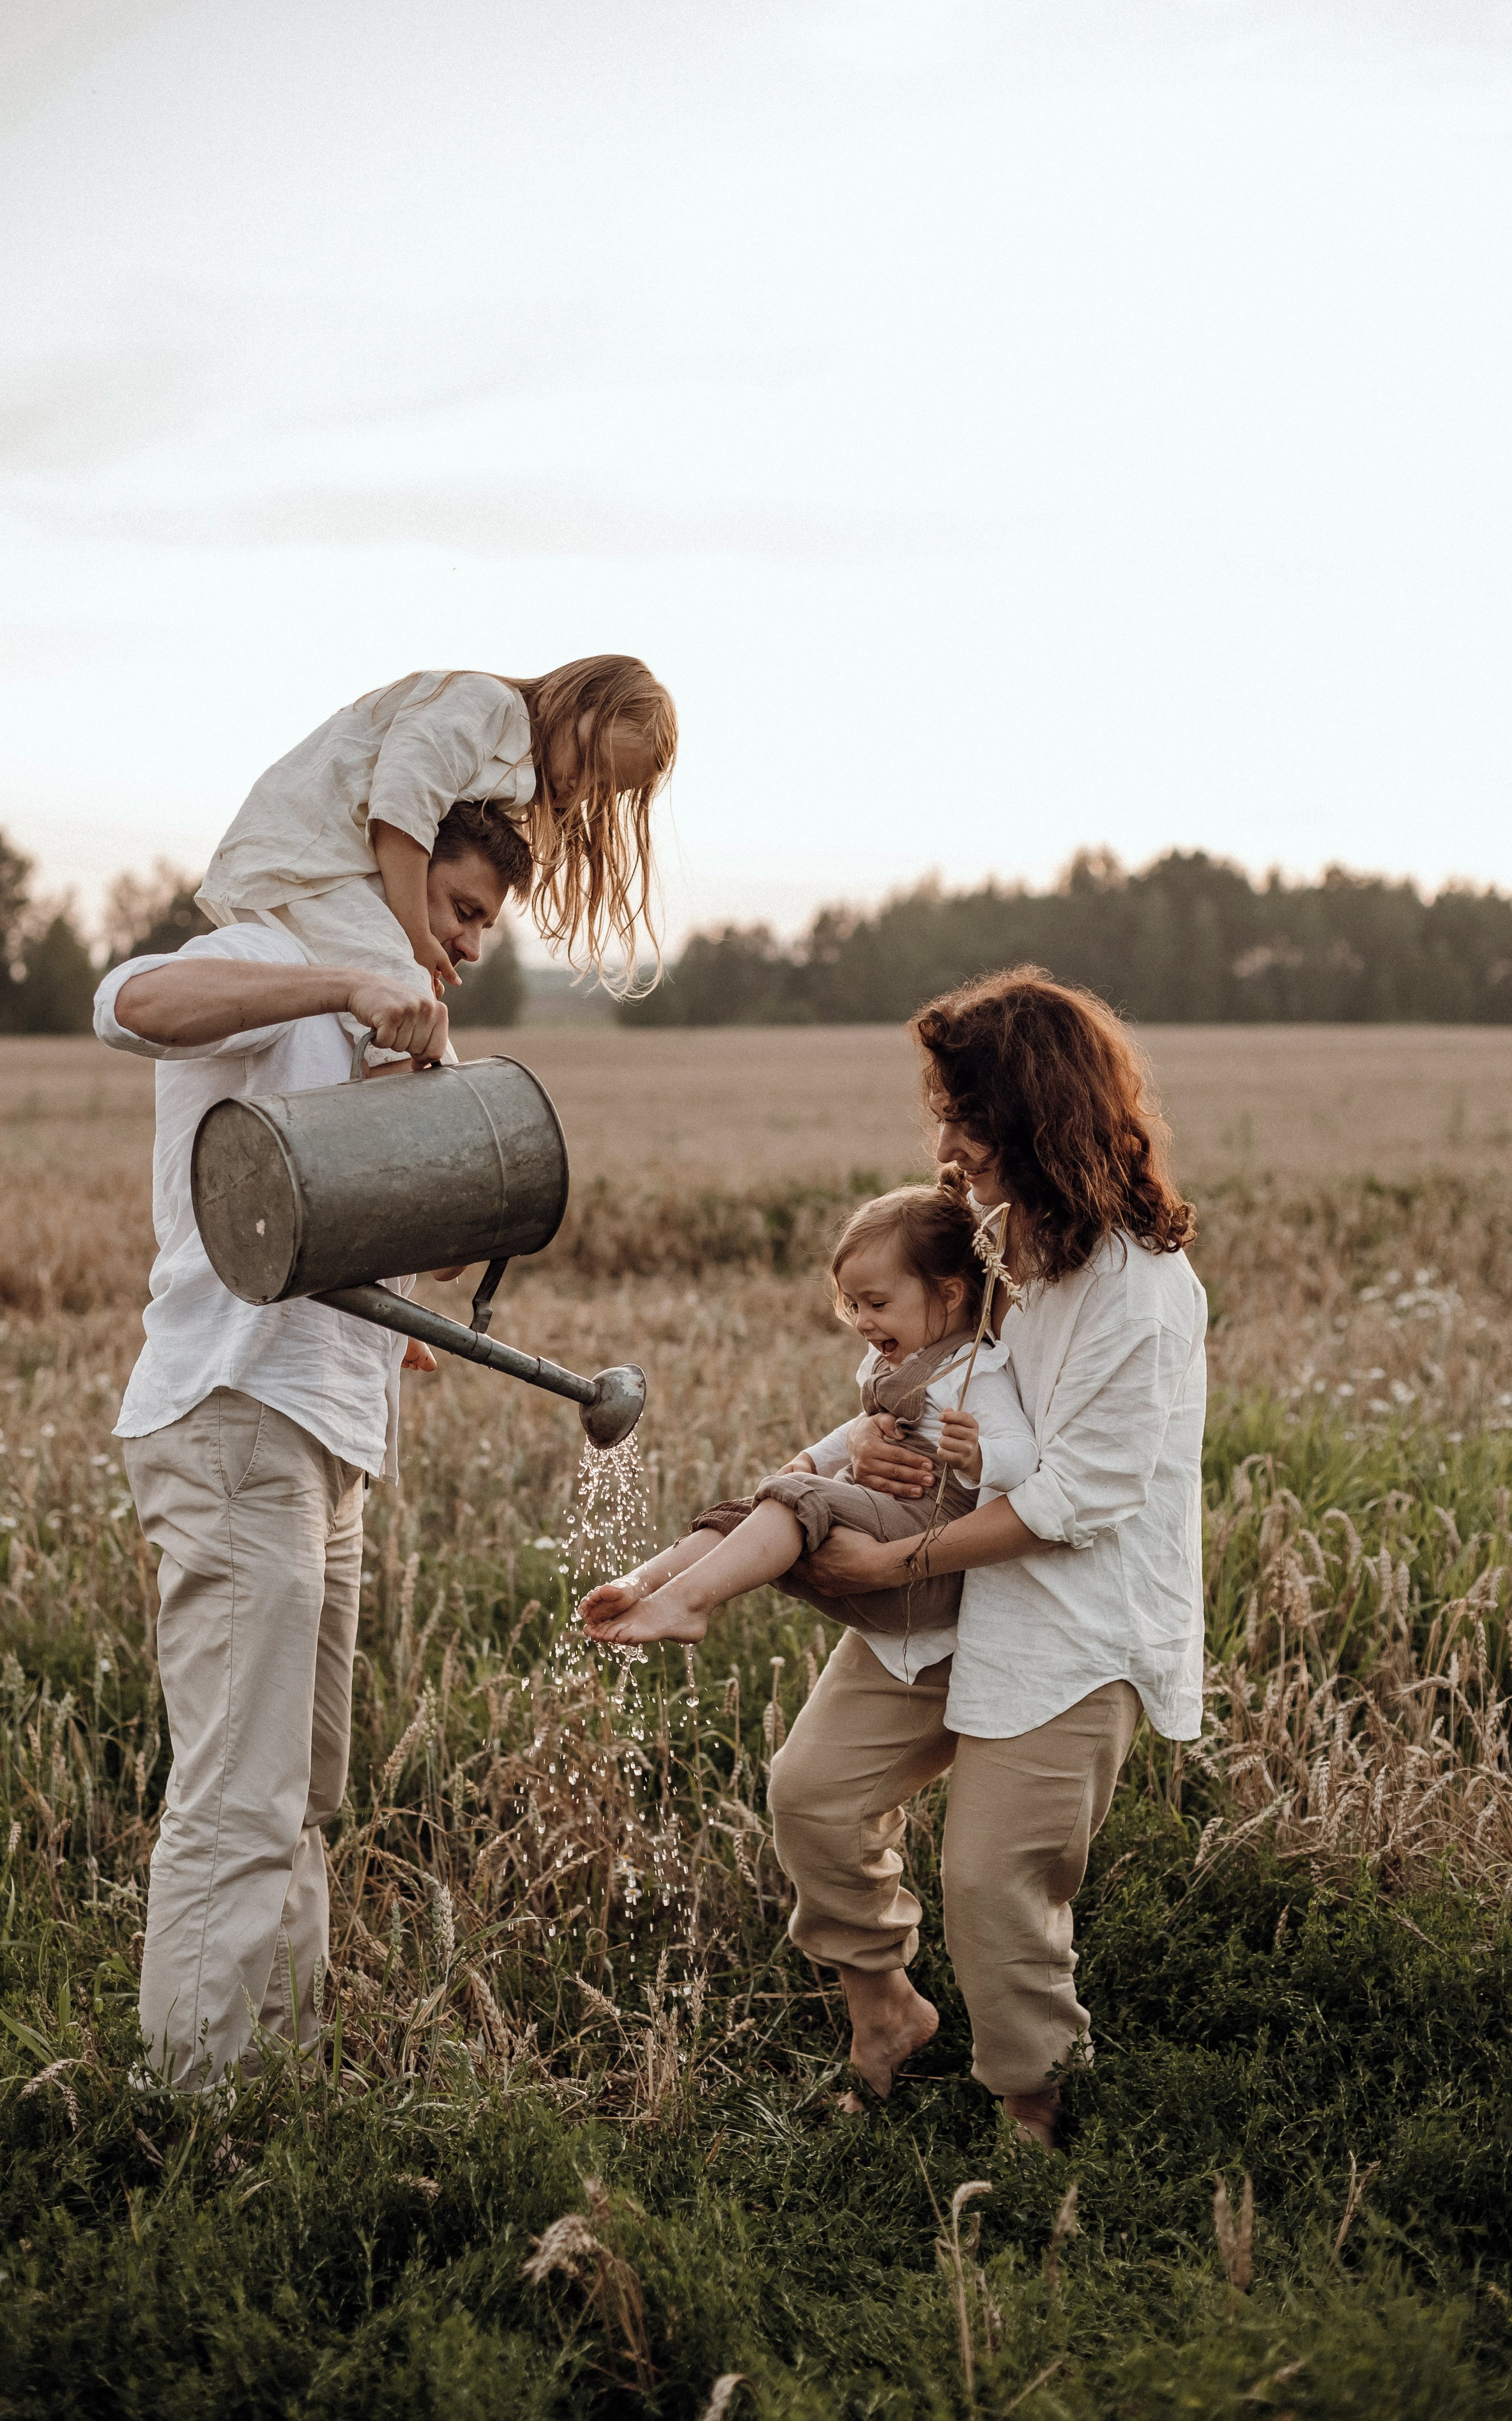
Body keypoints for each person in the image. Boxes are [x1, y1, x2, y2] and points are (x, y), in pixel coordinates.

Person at [95, 801, 532, 2090]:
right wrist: (349, 978)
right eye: (454, 910)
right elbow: (127, 1004)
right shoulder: (269, 972)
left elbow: (431, 1252)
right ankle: (197, 2108)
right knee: (238, 1788)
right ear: (391, 871)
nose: (465, 947)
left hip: (329, 1441)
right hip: (235, 1417)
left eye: (484, 930)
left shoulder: (390, 1036)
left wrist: (428, 1113)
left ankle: (274, 2083)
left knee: (299, 1791)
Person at [767, 970, 1206, 2148]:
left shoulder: (1140, 1294)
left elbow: (1081, 1498)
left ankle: (1036, 2113)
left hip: (1072, 1621)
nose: (949, 1148)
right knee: (812, 1797)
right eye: (944, 1116)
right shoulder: (999, 1239)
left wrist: (887, 1569)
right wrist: (849, 1455)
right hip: (955, 1591)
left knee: (990, 1886)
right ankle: (887, 2014)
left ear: (1043, 1120)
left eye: (974, 1121)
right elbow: (930, 1377)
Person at [581, 1183, 1036, 1652]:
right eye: (855, 1306)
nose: (862, 1321)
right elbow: (856, 1431)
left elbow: (1023, 1456)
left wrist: (978, 1458)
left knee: (794, 1499)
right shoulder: (897, 1365)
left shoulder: (972, 1371)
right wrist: (812, 1459)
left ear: (949, 1294)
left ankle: (688, 1603)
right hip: (871, 1539)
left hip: (921, 1568)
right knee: (753, 1508)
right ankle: (642, 1584)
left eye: (878, 1304)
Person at [197, 655, 676, 1053]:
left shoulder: (515, 769)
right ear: (575, 699)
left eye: (604, 788)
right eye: (590, 759)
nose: (581, 786)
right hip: (300, 860)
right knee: (405, 1000)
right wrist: (417, 935)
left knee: (390, 1008)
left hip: (317, 869)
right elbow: (402, 806)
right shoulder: (488, 705)